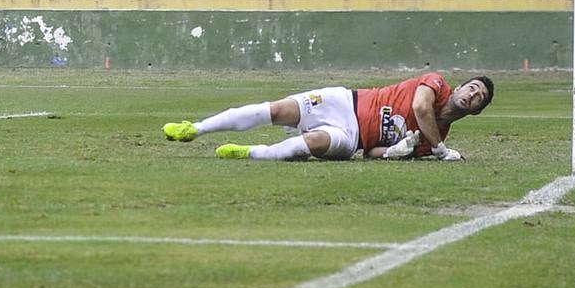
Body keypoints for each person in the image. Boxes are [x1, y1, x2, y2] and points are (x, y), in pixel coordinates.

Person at [162, 72, 494, 161]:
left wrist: (394, 153)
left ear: (476, 111)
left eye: (479, 98)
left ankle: (247, 152)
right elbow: (421, 108)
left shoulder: (437, 140)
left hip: (352, 139)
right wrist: (439, 149)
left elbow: (372, 153)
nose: (472, 94)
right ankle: (195, 128)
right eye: (473, 87)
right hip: (344, 101)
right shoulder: (435, 84)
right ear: (461, 85)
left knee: (304, 146)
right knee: (275, 110)